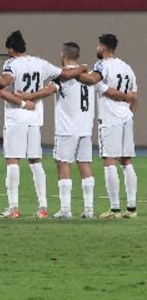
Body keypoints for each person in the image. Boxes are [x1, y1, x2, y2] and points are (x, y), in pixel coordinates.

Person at [0, 30, 70, 218]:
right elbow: (63, 74)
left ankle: (14, 207)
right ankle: (43, 207)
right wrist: (80, 70)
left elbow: (4, 82)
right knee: (35, 161)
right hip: (34, 117)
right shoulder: (40, 62)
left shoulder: (11, 63)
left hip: (16, 117)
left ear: (10, 49)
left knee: (12, 160)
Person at [81, 33, 138, 218]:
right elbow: (134, 96)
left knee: (109, 161)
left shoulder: (102, 65)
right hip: (126, 117)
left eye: (98, 46)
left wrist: (76, 72)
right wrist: (129, 113)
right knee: (126, 162)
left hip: (110, 119)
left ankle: (114, 209)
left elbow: (93, 81)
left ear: (103, 48)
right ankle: (131, 208)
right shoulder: (127, 68)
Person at [50, 42, 97, 218]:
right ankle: (89, 209)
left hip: (67, 129)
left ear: (63, 55)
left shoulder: (63, 76)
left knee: (63, 164)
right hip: (85, 129)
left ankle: (65, 209)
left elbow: (48, 90)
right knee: (85, 165)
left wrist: (28, 98)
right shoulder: (89, 75)